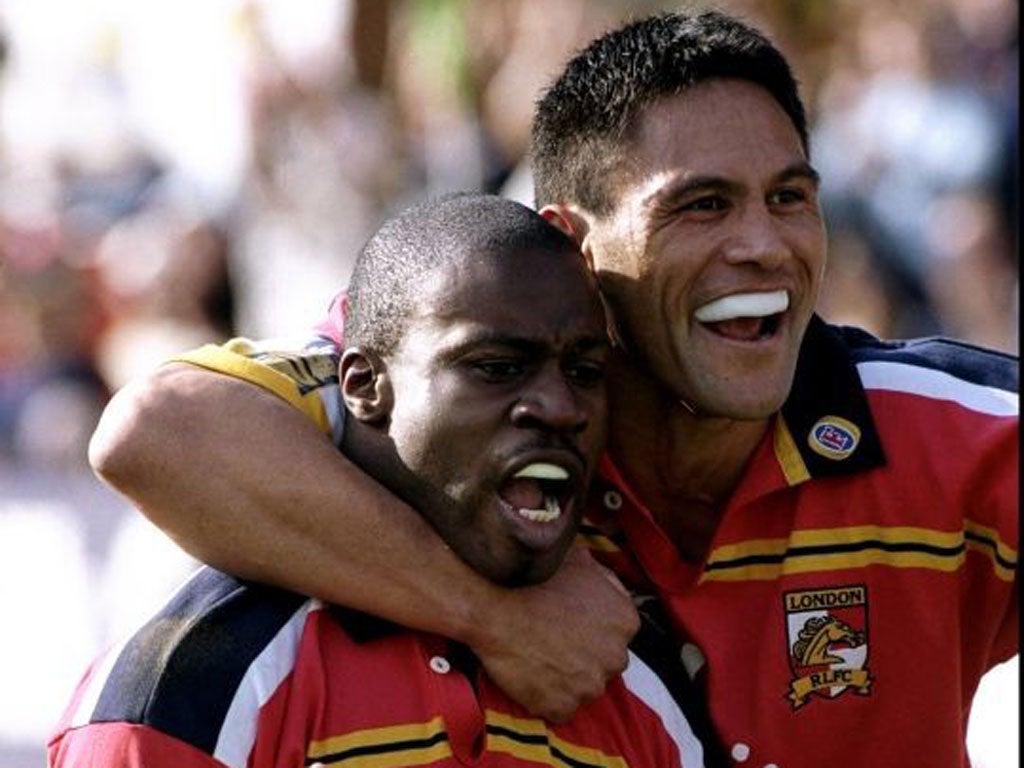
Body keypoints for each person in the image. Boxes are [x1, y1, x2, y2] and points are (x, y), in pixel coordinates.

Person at [88, 10, 1019, 768]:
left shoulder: (950, 434)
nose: (763, 244)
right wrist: (495, 615)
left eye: (790, 197)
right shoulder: (473, 398)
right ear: (571, 243)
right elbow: (160, 433)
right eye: (702, 205)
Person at [50, 194, 720, 767]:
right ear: (366, 387)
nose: (559, 407)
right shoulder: (189, 688)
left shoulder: (626, 674)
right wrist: (495, 620)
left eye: (585, 370)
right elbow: (149, 428)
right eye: (495, 366)